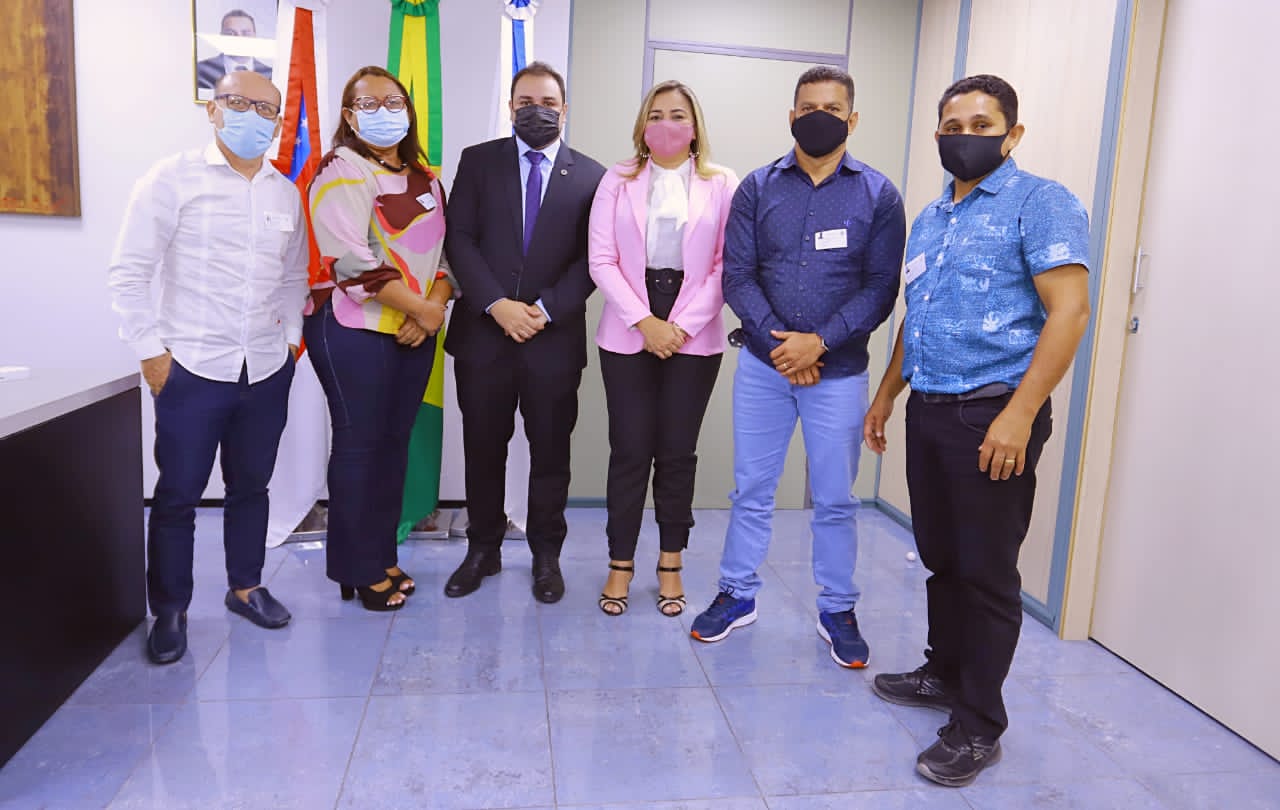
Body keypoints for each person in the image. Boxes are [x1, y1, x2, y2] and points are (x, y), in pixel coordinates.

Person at [863, 74, 1091, 787]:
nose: (964, 136)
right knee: (941, 556)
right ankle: (944, 672)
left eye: (981, 124)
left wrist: (1019, 414)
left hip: (995, 412)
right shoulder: (933, 218)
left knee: (987, 573)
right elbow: (919, 313)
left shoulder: (1040, 202)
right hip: (930, 408)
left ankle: (979, 725)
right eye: (952, 125)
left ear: (1011, 135)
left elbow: (1070, 311)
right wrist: (887, 394)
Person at [689, 66, 906, 669]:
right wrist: (784, 347)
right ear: (791, 116)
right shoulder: (757, 189)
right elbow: (738, 276)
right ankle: (737, 594)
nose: (819, 117)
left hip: (838, 374)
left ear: (852, 119)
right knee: (751, 490)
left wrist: (820, 344)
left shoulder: (879, 195)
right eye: (808, 107)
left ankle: (837, 608)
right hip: (765, 369)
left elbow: (881, 287)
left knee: (835, 498)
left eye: (832, 109)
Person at [108, 70, 308, 664]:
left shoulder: (284, 193)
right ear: (213, 109)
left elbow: (294, 276)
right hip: (191, 367)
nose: (253, 116)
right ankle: (170, 610)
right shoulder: (171, 178)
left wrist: (290, 343)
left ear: (278, 123)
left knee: (252, 486)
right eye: (239, 102)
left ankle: (246, 587)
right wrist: (151, 353)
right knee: (178, 495)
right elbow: (129, 271)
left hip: (264, 367)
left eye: (266, 109)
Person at [443, 61, 606, 604]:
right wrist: (496, 305)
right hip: (483, 336)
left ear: (565, 110)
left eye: (548, 103)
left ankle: (546, 555)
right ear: (510, 107)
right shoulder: (478, 161)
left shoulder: (593, 176)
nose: (537, 111)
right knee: (483, 449)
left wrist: (543, 309)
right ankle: (482, 549)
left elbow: (593, 257)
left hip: (552, 340)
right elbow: (460, 239)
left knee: (551, 454)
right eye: (526, 102)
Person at [305, 66, 454, 611]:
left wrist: (432, 309)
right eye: (368, 104)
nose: (384, 112)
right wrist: (423, 310)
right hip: (355, 330)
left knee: (394, 445)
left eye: (394, 102)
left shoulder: (426, 179)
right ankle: (356, 568)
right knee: (360, 445)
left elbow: (446, 256)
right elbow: (349, 261)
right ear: (349, 115)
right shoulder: (340, 169)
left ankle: (382, 555)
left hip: (414, 333)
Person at [587, 80, 738, 617]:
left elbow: (727, 265)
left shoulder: (722, 182)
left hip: (694, 329)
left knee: (677, 452)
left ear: (694, 127)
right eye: (655, 115)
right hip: (628, 323)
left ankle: (671, 562)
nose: (666, 124)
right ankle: (620, 562)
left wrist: (680, 326)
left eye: (677, 115)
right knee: (629, 450)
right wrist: (645, 321)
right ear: (642, 125)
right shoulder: (617, 179)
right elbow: (601, 260)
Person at [196, 10, 272, 92]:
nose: (239, 39)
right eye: (230, 33)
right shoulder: (200, 70)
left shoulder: (270, 75)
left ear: (255, 36)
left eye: (246, 33)